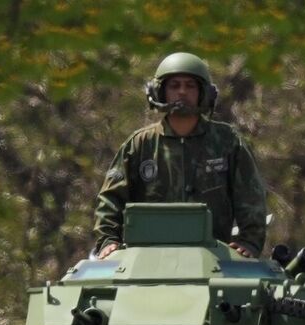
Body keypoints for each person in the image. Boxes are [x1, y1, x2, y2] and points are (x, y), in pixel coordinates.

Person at [94, 52, 269, 260]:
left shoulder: (226, 142)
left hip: (215, 258)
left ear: (204, 93)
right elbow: (111, 199)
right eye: (174, 85)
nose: (182, 92)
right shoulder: (141, 144)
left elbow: (251, 195)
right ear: (160, 92)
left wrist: (249, 241)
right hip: (147, 260)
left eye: (190, 86)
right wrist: (108, 240)